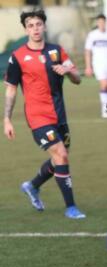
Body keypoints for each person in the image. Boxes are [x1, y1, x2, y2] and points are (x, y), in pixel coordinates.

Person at [3, 10, 86, 219]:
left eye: (38, 24)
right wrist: (6, 119)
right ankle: (71, 207)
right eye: (30, 25)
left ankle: (32, 186)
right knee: (61, 154)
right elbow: (11, 89)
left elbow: (78, 78)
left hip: (59, 115)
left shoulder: (57, 52)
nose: (35, 29)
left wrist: (68, 71)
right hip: (37, 117)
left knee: (59, 159)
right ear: (26, 29)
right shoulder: (18, 57)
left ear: (45, 27)